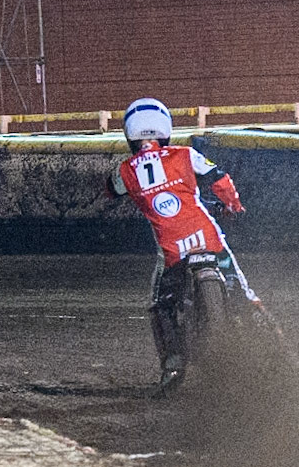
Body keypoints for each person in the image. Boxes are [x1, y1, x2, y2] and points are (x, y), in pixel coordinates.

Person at [110, 97, 257, 393]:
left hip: (172, 251)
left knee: (159, 305)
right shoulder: (187, 154)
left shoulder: (126, 170)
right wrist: (234, 207)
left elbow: (112, 190)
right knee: (245, 290)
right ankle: (272, 345)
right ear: (165, 129)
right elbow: (221, 180)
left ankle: (173, 366)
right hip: (209, 239)